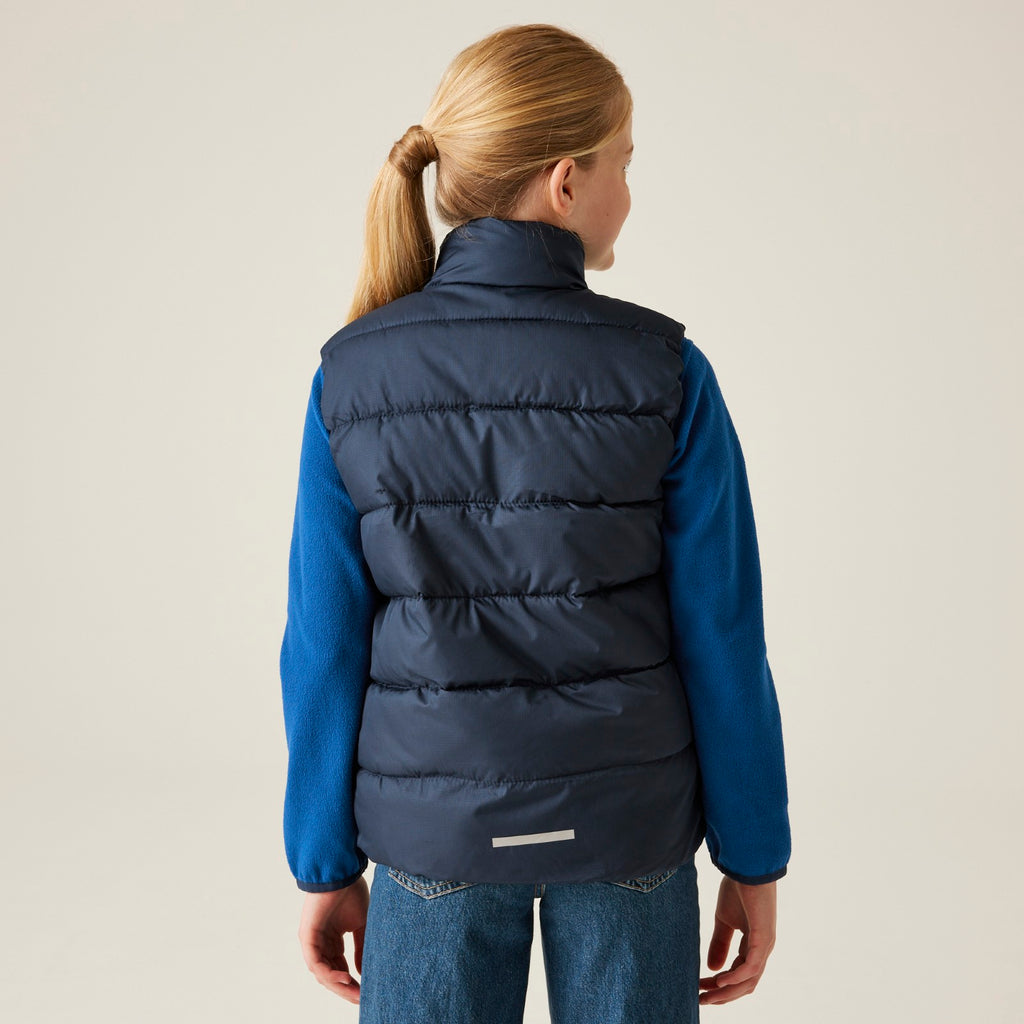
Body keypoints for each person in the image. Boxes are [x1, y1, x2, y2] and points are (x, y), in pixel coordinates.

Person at [280, 23, 791, 1023]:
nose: (629, 192)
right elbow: (724, 637)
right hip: (629, 829)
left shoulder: (351, 376)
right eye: (624, 163)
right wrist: (753, 854)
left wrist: (323, 861)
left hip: (432, 839)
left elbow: (324, 643)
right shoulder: (666, 372)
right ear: (565, 182)